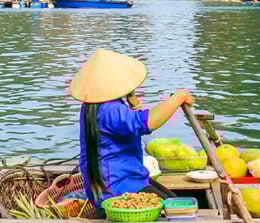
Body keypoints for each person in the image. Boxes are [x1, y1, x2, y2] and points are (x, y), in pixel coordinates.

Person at [70, 49, 194, 208]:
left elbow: (129, 124)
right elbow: (148, 123)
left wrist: (134, 102)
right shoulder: (111, 110)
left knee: (172, 199)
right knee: (180, 208)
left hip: (114, 182)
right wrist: (180, 96)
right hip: (118, 189)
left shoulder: (93, 105)